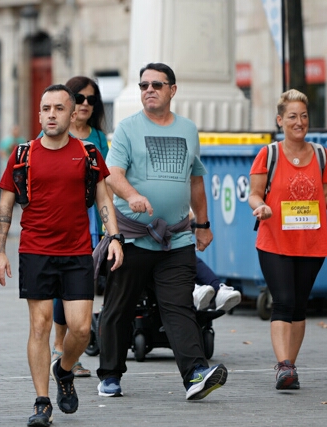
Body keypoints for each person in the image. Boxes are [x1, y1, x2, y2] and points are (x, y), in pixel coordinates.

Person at [0, 84, 124, 427]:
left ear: (72, 113)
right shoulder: (24, 155)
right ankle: (41, 402)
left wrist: (114, 237)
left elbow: (103, 200)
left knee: (80, 329)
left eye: (59, 108)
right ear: (39, 114)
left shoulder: (89, 153)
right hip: (35, 251)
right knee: (39, 325)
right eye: (46, 108)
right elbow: (5, 206)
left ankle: (63, 369)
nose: (52, 114)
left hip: (77, 250)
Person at [96, 62, 228, 401]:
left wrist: (202, 223)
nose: (149, 90)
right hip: (132, 237)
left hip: (177, 238)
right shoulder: (127, 128)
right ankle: (110, 374)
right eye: (143, 85)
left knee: (179, 306)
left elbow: (196, 179)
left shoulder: (188, 129)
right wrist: (132, 195)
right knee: (119, 308)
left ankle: (196, 374)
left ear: (172, 90)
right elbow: (112, 174)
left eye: (157, 84)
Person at [248, 89, 327, 390]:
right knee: (283, 301)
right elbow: (254, 193)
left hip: (311, 242)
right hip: (274, 239)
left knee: (300, 305)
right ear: (280, 120)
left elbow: (325, 196)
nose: (299, 122)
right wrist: (259, 207)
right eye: (292, 116)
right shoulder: (269, 154)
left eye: (303, 116)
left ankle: (290, 367)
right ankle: (283, 366)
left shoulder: (322, 155)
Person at [49, 76, 110, 378]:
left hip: (92, 224)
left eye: (91, 99)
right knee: (63, 286)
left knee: (81, 287)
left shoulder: (98, 136)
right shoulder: (53, 131)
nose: (86, 104)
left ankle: (71, 347)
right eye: (80, 98)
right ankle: (60, 346)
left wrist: (112, 222)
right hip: (60, 222)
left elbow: (105, 181)